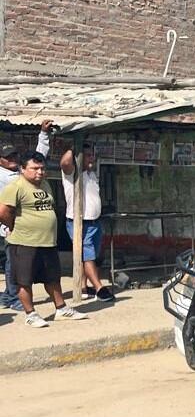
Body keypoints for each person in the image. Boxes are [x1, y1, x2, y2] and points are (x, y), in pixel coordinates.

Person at [0, 152, 88, 327]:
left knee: (52, 278)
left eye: (42, 168)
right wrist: (12, 226)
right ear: (23, 169)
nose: (39, 172)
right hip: (23, 243)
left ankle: (61, 309)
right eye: (35, 168)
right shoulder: (15, 186)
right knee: (24, 281)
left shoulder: (45, 184)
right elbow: (3, 212)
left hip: (47, 242)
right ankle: (31, 314)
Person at [0, 121, 52, 311]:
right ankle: (14, 298)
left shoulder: (23, 173)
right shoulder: (4, 178)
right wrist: (10, 226)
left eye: (14, 155)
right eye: (7, 157)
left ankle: (7, 297)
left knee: (11, 263)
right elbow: (3, 209)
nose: (12, 158)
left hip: (23, 229)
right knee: (13, 266)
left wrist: (44, 134)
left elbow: (40, 156)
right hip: (10, 228)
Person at [60, 143, 114, 301]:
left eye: (92, 155)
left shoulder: (91, 174)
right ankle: (99, 288)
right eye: (88, 155)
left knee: (91, 256)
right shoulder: (72, 174)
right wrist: (73, 148)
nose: (92, 158)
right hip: (79, 223)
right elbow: (64, 163)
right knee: (87, 256)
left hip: (94, 222)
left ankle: (83, 287)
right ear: (79, 157)